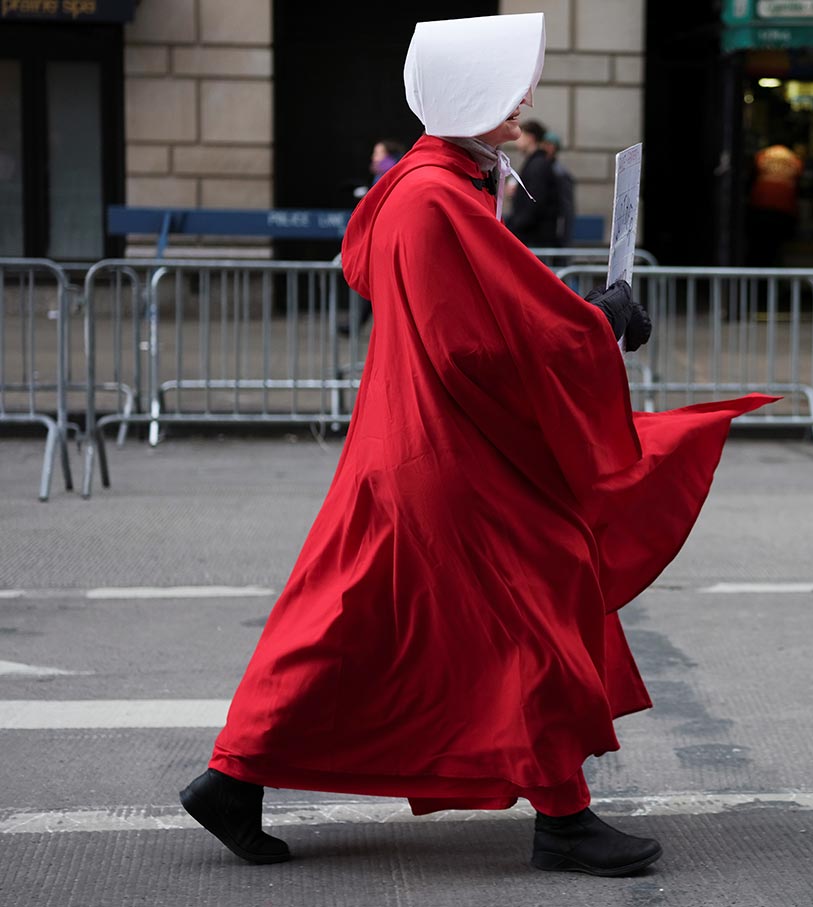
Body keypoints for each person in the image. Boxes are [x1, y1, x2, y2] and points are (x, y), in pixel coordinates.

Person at [179, 12, 773, 878]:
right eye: (510, 87)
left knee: (348, 621)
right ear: (471, 98)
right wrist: (595, 323)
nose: (524, 99)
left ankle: (233, 777)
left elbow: (483, 312)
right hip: (448, 456)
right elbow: (481, 342)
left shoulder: (426, 185)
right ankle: (564, 816)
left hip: (409, 442)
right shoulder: (435, 196)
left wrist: (578, 319)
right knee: (537, 603)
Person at [342, 139, 410, 335]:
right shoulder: (382, 175)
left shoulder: (391, 174)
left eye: (378, 153)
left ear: (388, 156)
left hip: (388, 241)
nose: (373, 157)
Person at [504, 119, 561, 247]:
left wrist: (513, 227)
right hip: (532, 236)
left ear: (530, 138)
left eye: (521, 135)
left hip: (534, 238)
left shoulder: (538, 165)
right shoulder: (535, 163)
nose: (517, 140)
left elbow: (534, 202)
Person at [746, 142, 803, 267]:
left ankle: (758, 278)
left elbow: (751, 176)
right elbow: (799, 183)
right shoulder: (794, 159)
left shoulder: (762, 155)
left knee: (757, 246)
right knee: (775, 247)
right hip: (784, 209)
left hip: (760, 205)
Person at [543, 130, 576, 246]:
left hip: (555, 226)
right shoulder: (540, 168)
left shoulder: (560, 173)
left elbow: (566, 207)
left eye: (549, 145)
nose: (545, 148)